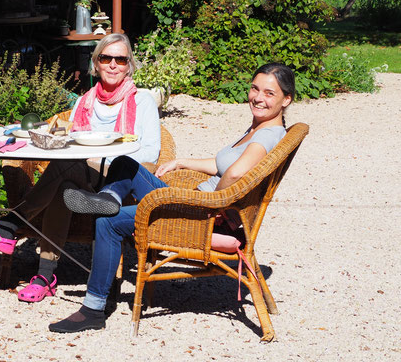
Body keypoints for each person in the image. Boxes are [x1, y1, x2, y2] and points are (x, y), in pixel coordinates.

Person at [49, 62, 295, 333]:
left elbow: (235, 175)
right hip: (196, 202)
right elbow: (224, 165)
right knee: (124, 164)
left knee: (108, 223)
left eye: (269, 93)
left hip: (199, 213)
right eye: (255, 89)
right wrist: (181, 162)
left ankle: (93, 310)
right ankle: (109, 198)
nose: (258, 98)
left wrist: (216, 203)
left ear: (286, 99)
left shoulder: (268, 134)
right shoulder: (261, 129)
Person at [0, 33, 161, 302]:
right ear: (95, 63)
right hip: (83, 177)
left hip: (120, 179)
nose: (112, 65)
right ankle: (44, 273)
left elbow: (150, 152)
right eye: (106, 58)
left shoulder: (141, 100)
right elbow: (65, 139)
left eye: (120, 59)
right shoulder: (85, 101)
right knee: (65, 183)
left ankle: (14, 226)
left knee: (68, 170)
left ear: (129, 65)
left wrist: (102, 159)